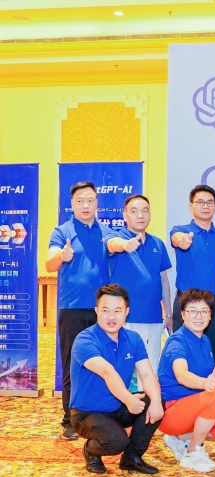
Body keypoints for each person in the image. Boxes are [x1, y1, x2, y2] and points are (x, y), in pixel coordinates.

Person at [69, 284, 163, 475]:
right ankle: (91, 450)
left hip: (117, 406)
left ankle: (131, 458)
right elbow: (107, 372)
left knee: (154, 401)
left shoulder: (133, 339)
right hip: (87, 413)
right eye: (105, 310)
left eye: (117, 311)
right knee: (117, 442)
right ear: (96, 311)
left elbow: (146, 373)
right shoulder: (85, 340)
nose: (111, 317)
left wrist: (156, 402)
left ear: (126, 312)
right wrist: (128, 399)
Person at [46, 181, 114, 440]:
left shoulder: (106, 232)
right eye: (80, 201)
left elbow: (118, 249)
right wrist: (61, 256)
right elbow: (49, 263)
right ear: (72, 204)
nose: (86, 205)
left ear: (97, 203)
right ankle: (69, 419)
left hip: (103, 311)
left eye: (90, 200)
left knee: (104, 363)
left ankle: (101, 414)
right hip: (72, 309)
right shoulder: (61, 231)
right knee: (73, 365)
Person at [157, 289, 215, 472]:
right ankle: (192, 452)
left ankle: (179, 439)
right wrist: (204, 384)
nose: (199, 316)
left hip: (195, 407)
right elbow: (181, 374)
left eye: (204, 311)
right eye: (193, 311)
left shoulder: (204, 340)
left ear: (210, 316)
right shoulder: (177, 342)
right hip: (171, 410)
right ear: (183, 314)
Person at [107, 194, 172, 389]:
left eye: (144, 211)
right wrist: (124, 245)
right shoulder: (116, 237)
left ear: (150, 215)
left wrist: (168, 313)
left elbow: (163, 280)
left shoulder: (157, 244)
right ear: (125, 215)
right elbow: (112, 245)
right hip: (125, 319)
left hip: (153, 318)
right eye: (134, 211)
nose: (140, 215)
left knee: (150, 370)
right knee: (125, 373)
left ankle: (147, 407)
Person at [170, 184, 215, 364]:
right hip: (186, 305)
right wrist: (182, 241)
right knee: (182, 357)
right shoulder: (182, 230)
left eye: (209, 202)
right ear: (191, 206)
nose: (205, 206)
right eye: (200, 202)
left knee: (212, 357)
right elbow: (176, 238)